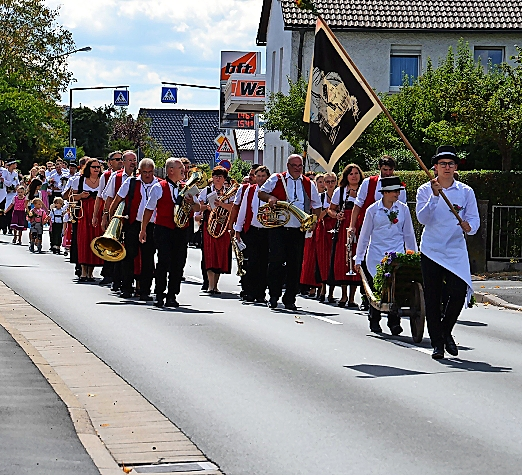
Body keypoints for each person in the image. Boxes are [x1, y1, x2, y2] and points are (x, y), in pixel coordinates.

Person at [416, 145, 480, 359]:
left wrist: (469, 227)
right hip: (432, 249)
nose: (446, 167)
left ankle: (445, 331)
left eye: (450, 164)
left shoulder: (466, 191)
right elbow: (423, 219)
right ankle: (437, 344)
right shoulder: (425, 190)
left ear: (455, 167)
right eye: (442, 164)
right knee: (432, 298)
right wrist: (435, 197)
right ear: (435, 167)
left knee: (458, 292)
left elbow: (474, 220)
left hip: (455, 250)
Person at [355, 176, 418, 335]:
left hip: (396, 254)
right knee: (377, 288)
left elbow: (409, 234)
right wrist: (359, 257)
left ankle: (394, 321)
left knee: (395, 287)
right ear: (385, 193)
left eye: (398, 191)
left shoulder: (403, 209)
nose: (397, 194)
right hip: (376, 254)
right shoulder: (373, 210)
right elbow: (364, 236)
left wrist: (413, 254)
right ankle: (374, 318)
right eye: (394, 191)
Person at [258, 154, 322, 310]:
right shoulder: (277, 178)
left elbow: (317, 204)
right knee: (276, 262)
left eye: (300, 166)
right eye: (294, 166)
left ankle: (290, 298)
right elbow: (261, 192)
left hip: (297, 229)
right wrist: (271, 198)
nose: (298, 169)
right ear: (288, 166)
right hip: (278, 227)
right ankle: (274, 295)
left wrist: (314, 221)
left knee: (295, 264)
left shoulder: (308, 183)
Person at [140, 157, 200, 308]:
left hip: (181, 230)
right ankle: (160, 293)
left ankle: (172, 295)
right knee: (164, 262)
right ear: (171, 170)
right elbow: (149, 209)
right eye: (181, 168)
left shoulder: (186, 187)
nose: (184, 171)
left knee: (178, 264)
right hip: (163, 229)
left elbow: (198, 208)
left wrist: (191, 202)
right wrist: (143, 229)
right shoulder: (159, 187)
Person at [109, 158, 159, 301]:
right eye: (144, 172)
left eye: (150, 172)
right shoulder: (131, 182)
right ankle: (126, 288)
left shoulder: (159, 184)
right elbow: (117, 200)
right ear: (139, 171)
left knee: (148, 258)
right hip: (133, 223)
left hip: (151, 225)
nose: (147, 175)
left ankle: (145, 290)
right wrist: (111, 218)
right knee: (129, 256)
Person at [327, 164, 364, 308]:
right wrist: (337, 215)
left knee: (357, 256)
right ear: (346, 176)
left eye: (356, 173)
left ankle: (353, 297)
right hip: (344, 228)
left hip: (360, 227)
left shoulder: (364, 189)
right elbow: (331, 209)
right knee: (344, 258)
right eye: (351, 173)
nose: (354, 176)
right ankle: (343, 295)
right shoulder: (340, 191)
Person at [233, 165, 271, 303]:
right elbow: (243, 210)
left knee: (264, 263)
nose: (260, 179)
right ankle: (249, 291)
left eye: (263, 176)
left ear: (268, 177)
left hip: (267, 231)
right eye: (258, 176)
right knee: (251, 262)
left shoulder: (272, 190)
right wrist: (237, 229)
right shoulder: (250, 190)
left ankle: (261, 293)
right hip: (252, 230)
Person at [102, 151, 137, 291]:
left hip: (133, 217)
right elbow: (109, 198)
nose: (133, 163)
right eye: (130, 160)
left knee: (130, 250)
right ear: (123, 162)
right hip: (118, 216)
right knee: (117, 247)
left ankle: (130, 279)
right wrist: (106, 216)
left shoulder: (140, 177)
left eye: (134, 160)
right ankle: (116, 280)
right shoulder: (115, 177)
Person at [197, 166, 234, 294]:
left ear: (224, 179)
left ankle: (216, 285)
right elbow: (198, 207)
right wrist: (206, 207)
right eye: (215, 176)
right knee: (209, 254)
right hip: (209, 225)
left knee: (220, 255)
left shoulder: (229, 192)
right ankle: (210, 285)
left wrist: (222, 204)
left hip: (222, 227)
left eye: (220, 177)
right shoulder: (206, 191)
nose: (217, 179)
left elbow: (234, 208)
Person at [70, 158, 103, 282]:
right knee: (84, 240)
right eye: (94, 167)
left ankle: (91, 272)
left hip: (97, 213)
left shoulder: (103, 180)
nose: (96, 169)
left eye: (98, 167)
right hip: (83, 213)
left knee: (95, 240)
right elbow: (71, 198)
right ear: (88, 168)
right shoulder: (79, 180)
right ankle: (83, 271)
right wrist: (81, 196)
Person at [1, 160, 20, 235]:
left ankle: (10, 227)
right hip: (6, 194)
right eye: (14, 164)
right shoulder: (5, 172)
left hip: (13, 193)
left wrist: (16, 188)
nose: (16, 165)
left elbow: (17, 182)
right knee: (6, 211)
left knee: (12, 211)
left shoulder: (15, 173)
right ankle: (4, 226)